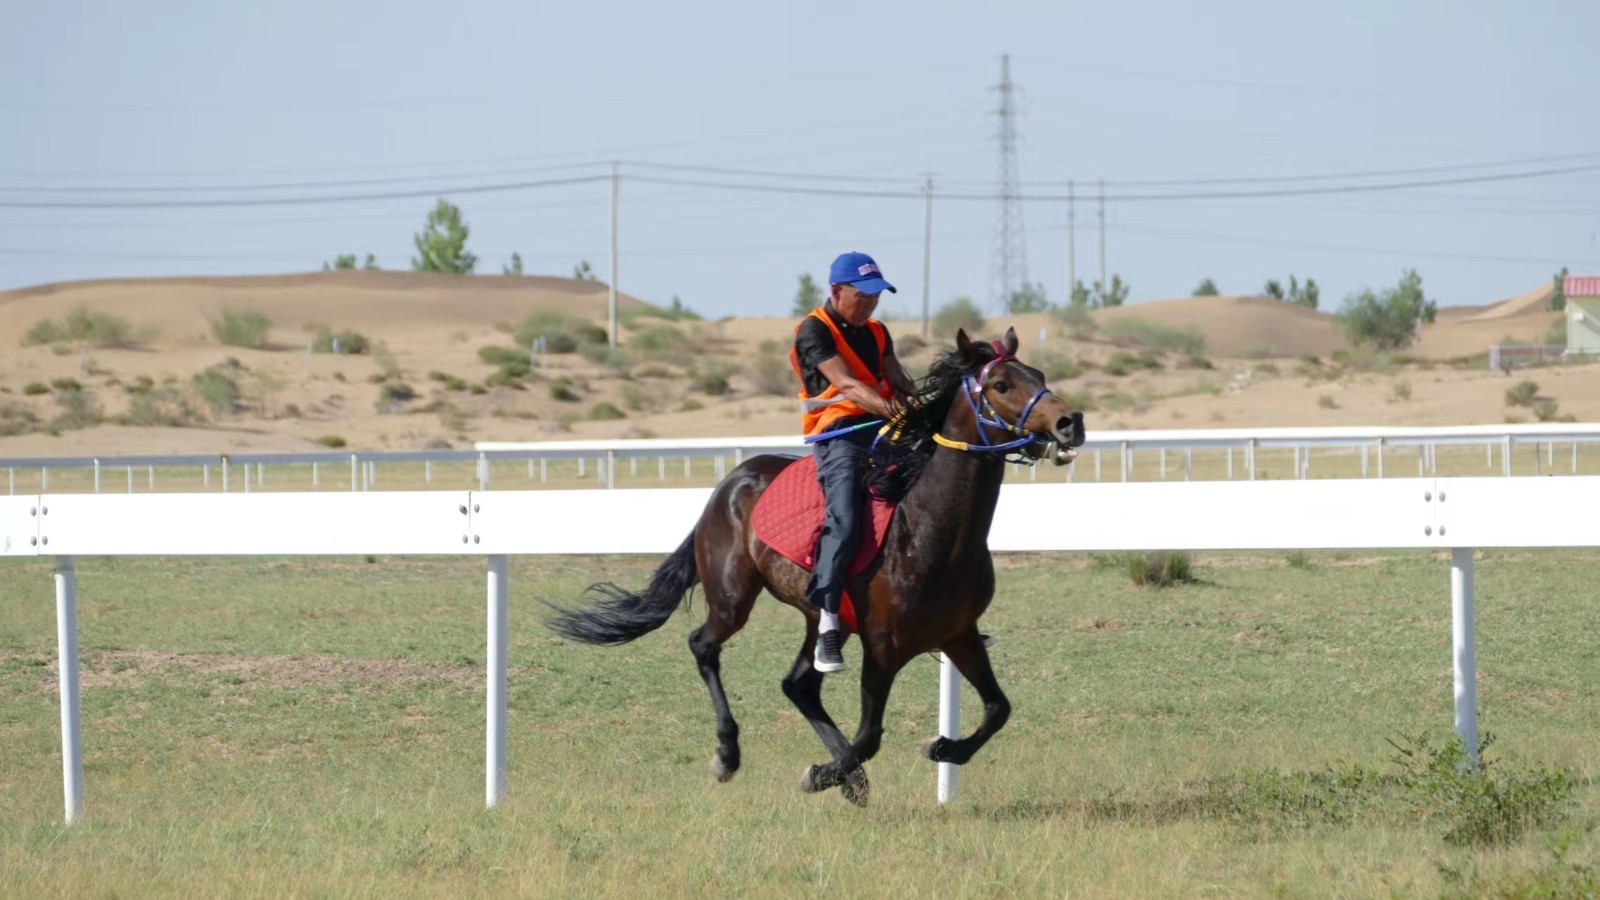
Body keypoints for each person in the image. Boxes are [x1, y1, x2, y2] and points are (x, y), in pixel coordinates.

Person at [790, 251, 916, 673]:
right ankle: (827, 620)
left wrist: (920, 405)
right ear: (836, 291)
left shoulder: (879, 331)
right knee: (843, 517)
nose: (870, 304)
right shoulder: (813, 330)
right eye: (862, 296)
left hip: (882, 429)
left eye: (876, 296)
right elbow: (845, 383)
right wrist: (893, 410)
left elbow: (900, 380)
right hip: (838, 436)